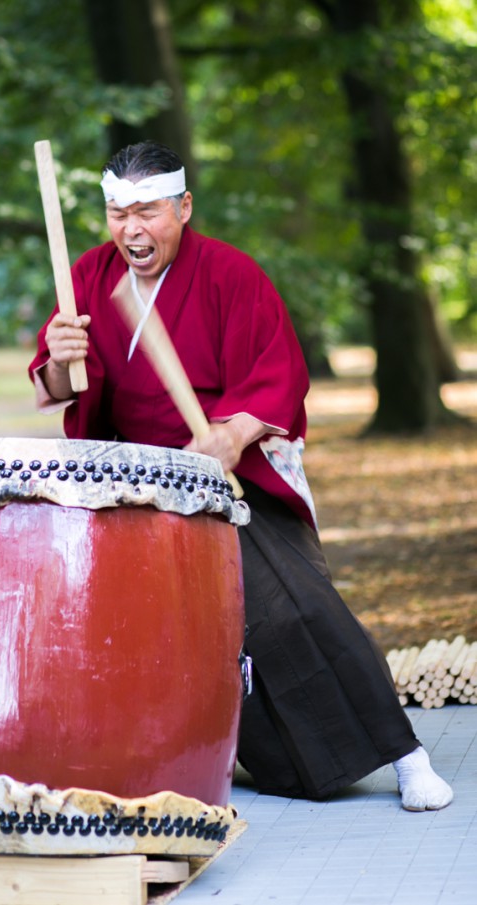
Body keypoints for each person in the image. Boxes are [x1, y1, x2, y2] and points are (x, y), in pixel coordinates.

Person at [28, 140, 453, 811]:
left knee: (291, 607)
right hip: (139, 483)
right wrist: (58, 360)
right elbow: (64, 386)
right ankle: (271, 761)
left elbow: (278, 372)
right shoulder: (86, 275)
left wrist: (229, 434)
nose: (131, 228)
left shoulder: (231, 274)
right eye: (118, 212)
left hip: (234, 471)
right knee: (191, 636)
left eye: (147, 211)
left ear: (183, 207)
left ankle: (405, 753)